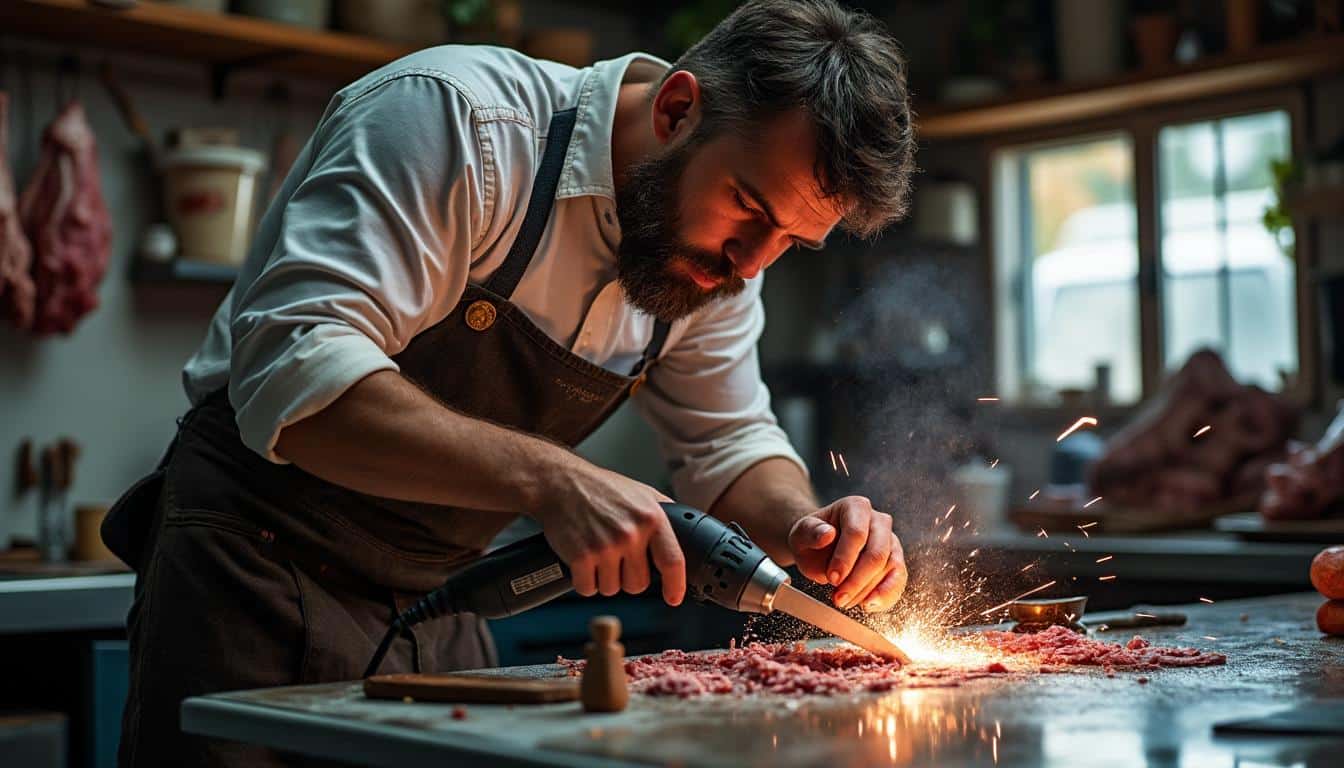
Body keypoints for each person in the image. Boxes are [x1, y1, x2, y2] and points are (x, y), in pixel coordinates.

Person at [104, 1, 916, 764]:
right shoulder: (455, 120)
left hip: (446, 601)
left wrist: (808, 527)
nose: (751, 263)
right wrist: (552, 478)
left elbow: (730, 442)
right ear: (675, 109)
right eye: (747, 206)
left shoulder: (724, 262)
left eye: (791, 241)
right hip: (252, 577)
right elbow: (298, 374)